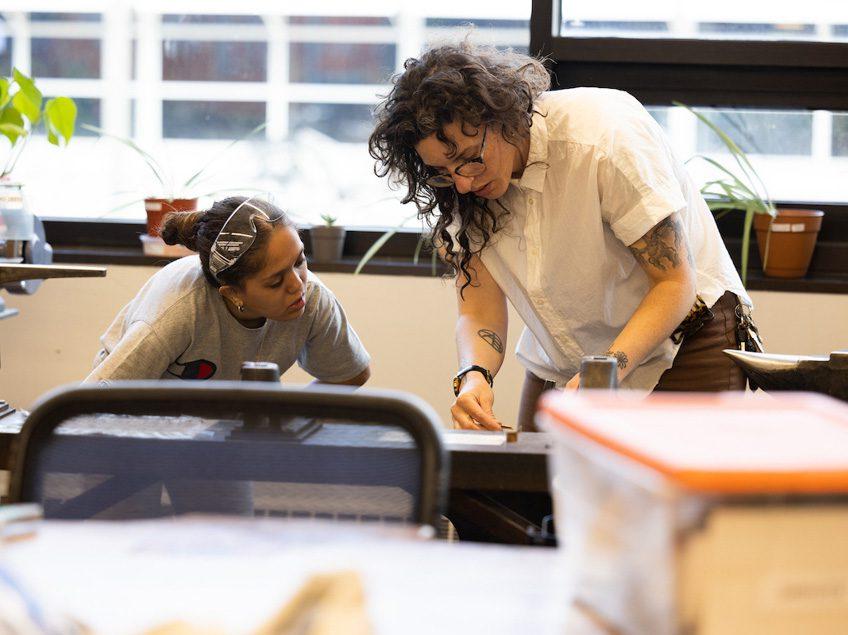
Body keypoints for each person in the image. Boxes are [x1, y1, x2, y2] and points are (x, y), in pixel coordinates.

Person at [369, 42, 760, 432]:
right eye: (442, 169)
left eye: (471, 157)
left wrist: (605, 373)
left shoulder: (602, 138)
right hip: (567, 357)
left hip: (684, 342)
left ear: (501, 115)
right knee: (529, 488)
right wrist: (474, 376)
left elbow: (674, 282)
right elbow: (479, 309)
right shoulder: (459, 191)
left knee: (665, 490)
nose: (463, 182)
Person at [86, 196, 371, 386]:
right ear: (232, 293)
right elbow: (90, 406)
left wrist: (287, 417)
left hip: (220, 427)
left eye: (300, 261)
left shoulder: (311, 297)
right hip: (133, 421)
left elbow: (350, 375)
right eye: (274, 281)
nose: (297, 283)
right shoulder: (176, 313)